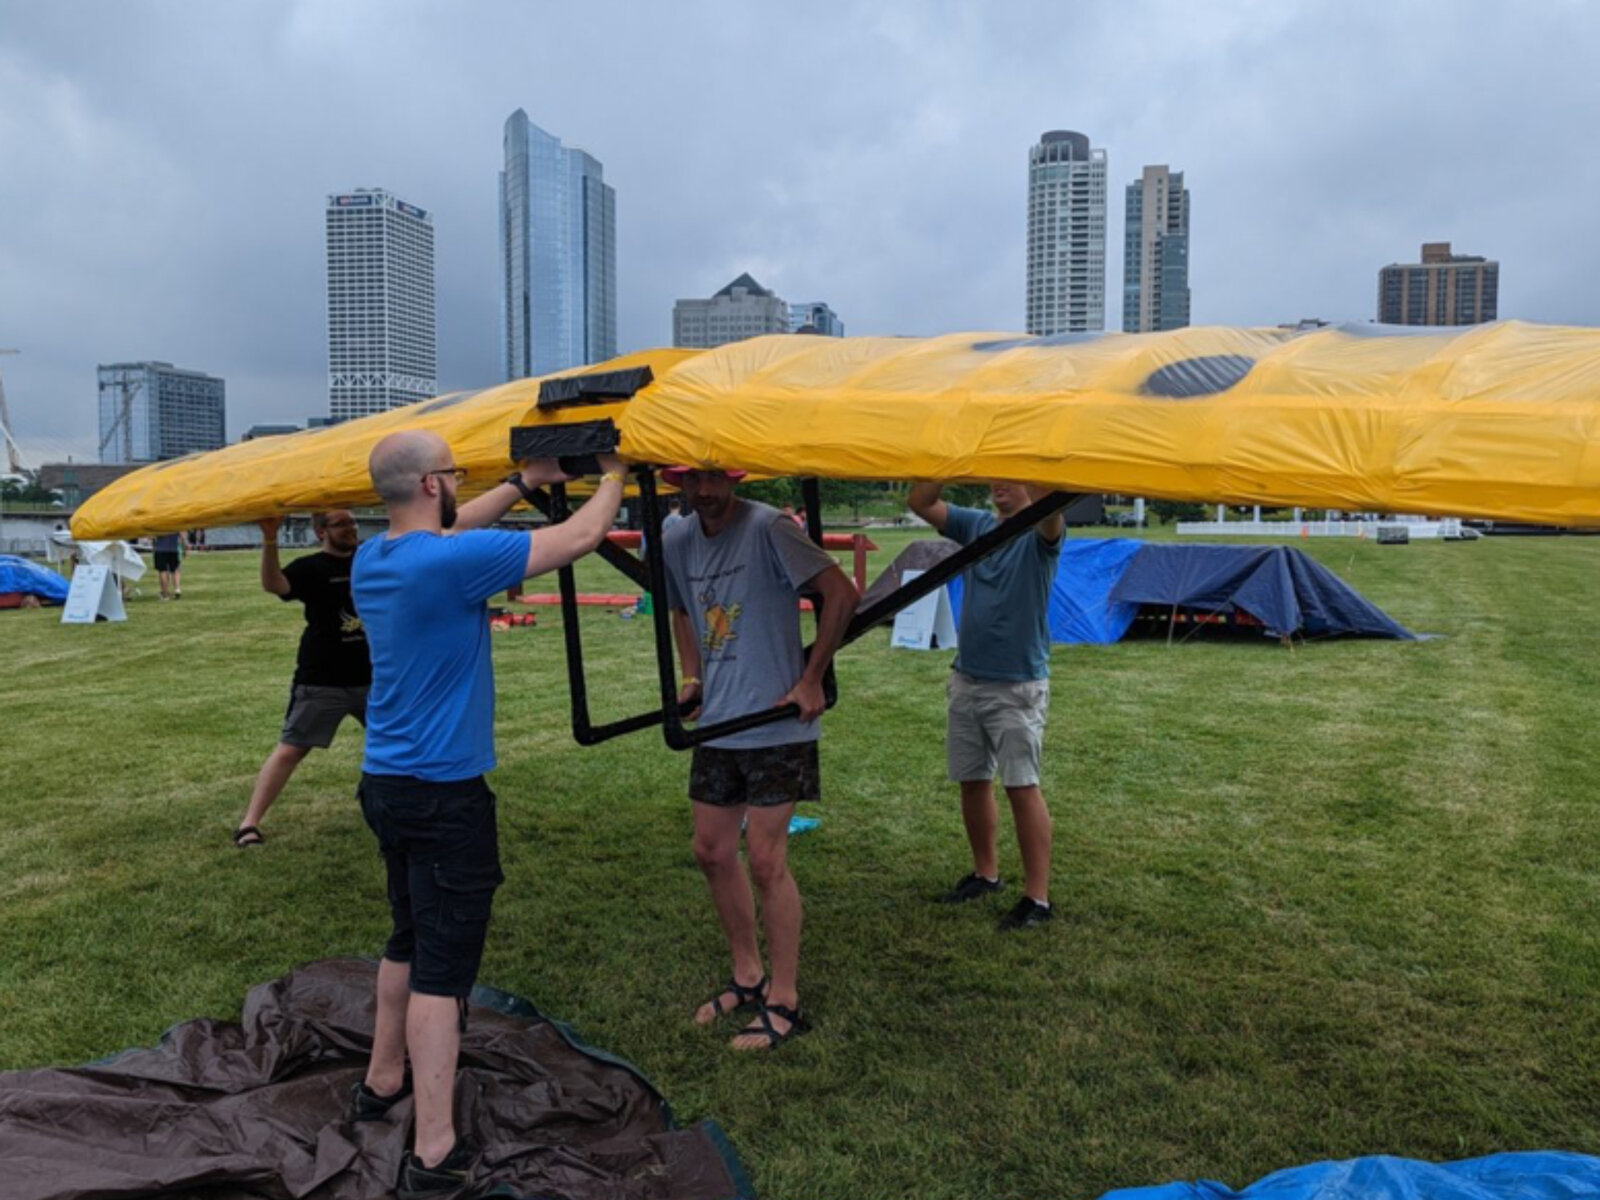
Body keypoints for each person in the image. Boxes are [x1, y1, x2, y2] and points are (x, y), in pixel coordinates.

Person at [350, 431, 625, 1199]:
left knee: (406, 933)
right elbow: (581, 536)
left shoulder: (375, 560)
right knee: (444, 971)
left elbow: (445, 526)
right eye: (455, 475)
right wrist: (616, 473)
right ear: (434, 484)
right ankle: (435, 1151)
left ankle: (380, 1083)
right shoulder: (452, 562)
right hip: (444, 797)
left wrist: (515, 480)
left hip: (387, 786)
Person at [662, 466, 857, 1050]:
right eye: (692, 481)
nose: (704, 492)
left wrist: (813, 678)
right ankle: (748, 977)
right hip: (722, 723)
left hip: (777, 722)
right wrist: (692, 675)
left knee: (767, 860)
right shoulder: (676, 537)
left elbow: (841, 593)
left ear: (733, 477)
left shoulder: (770, 527)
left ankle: (785, 1000)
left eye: (714, 478)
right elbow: (680, 610)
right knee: (712, 851)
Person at [907, 481, 1064, 931]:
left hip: (1017, 685)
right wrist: (952, 458)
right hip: (968, 676)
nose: (1000, 484)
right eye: (995, 474)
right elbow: (920, 502)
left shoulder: (1042, 531)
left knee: (1021, 786)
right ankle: (985, 873)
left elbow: (1052, 512)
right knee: (972, 780)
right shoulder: (975, 525)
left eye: (1012, 477)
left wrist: (1037, 469)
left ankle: (1037, 899)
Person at [232, 511, 368, 848]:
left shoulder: (370, 560)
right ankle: (249, 823)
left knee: (399, 742)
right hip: (322, 679)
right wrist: (269, 539)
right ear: (321, 530)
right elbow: (274, 584)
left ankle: (391, 805)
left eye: (352, 522)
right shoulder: (311, 567)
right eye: (341, 524)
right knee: (291, 750)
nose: (351, 528)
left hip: (376, 677)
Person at [152, 531, 184, 599]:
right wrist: (184, 546)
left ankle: (165, 593)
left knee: (162, 571)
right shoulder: (176, 521)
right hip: (173, 549)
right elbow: (181, 534)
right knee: (175, 569)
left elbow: (153, 535)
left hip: (161, 548)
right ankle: (177, 589)